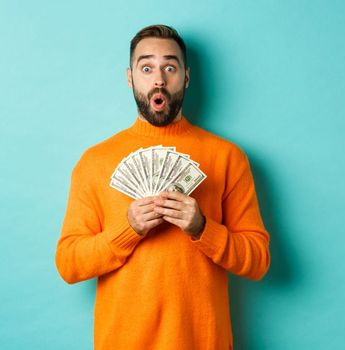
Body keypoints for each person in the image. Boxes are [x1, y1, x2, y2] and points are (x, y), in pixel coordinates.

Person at [54, 24, 271, 349]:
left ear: (186, 76)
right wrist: (127, 229)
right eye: (146, 67)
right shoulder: (95, 161)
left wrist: (202, 228)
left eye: (170, 67)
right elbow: (69, 264)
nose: (158, 79)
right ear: (130, 77)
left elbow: (258, 261)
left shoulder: (228, 157)